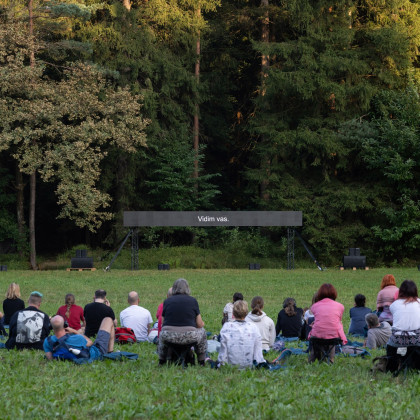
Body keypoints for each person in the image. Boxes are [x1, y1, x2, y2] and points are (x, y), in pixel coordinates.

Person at [158, 278, 207, 365]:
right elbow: (199, 324)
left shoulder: (167, 301)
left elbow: (163, 322)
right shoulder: (193, 301)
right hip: (189, 336)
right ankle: (201, 360)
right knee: (202, 332)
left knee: (162, 333)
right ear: (187, 288)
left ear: (174, 288)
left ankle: (162, 360)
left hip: (169, 336)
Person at [218, 300, 265, 368]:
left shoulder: (226, 327)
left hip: (231, 366)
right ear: (246, 313)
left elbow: (223, 354)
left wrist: (221, 365)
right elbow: (258, 355)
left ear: (233, 313)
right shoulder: (253, 327)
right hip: (249, 366)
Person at [44, 315, 115, 361]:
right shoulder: (76, 338)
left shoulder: (47, 341)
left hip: (72, 356)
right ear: (65, 325)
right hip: (97, 352)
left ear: (51, 327)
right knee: (108, 319)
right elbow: (90, 343)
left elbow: (50, 358)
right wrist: (74, 331)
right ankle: (110, 352)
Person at [308, 283, 347, 364]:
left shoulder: (314, 306)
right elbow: (338, 320)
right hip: (333, 337)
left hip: (317, 335)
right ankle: (331, 359)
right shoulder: (340, 306)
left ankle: (312, 359)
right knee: (332, 335)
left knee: (319, 333)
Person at [386, 280, 420, 371]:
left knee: (390, 345)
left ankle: (393, 365)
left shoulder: (394, 305)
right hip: (415, 341)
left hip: (397, 340)